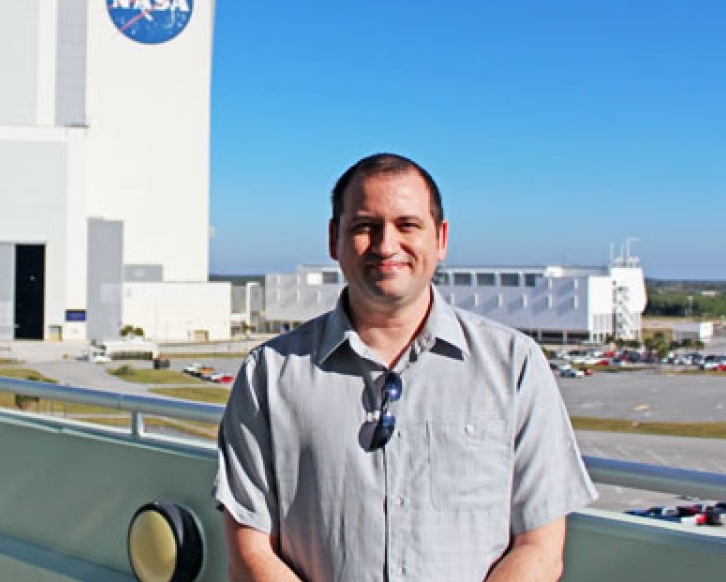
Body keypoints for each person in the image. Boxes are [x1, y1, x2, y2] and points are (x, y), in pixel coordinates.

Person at [214, 153, 596, 581]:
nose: (385, 245)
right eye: (364, 227)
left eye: (407, 225)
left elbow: (539, 548)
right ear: (333, 238)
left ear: (441, 238)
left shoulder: (514, 367)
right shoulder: (269, 375)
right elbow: (250, 548)